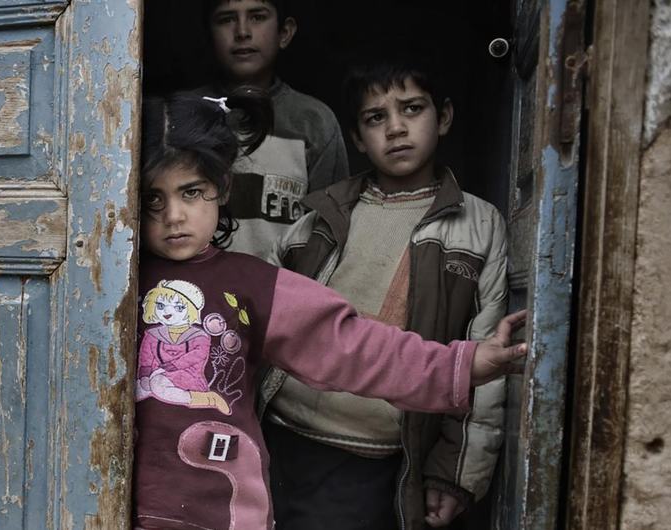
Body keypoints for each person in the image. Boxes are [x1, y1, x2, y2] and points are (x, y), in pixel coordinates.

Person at [131, 87, 524, 530]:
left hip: (221, 510)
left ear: (222, 187)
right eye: (152, 199)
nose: (174, 216)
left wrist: (464, 363)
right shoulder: (110, 282)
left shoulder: (253, 285)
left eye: (191, 192)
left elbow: (353, 347)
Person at [259, 54, 509, 529]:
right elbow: (264, 311)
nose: (396, 128)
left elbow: (486, 368)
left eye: (412, 109)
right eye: (376, 118)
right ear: (357, 137)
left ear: (445, 117)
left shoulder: (477, 227)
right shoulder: (322, 217)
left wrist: (454, 473)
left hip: (372, 454)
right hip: (277, 434)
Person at [196, 0, 348, 258]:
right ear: (209, 34)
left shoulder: (314, 122)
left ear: (285, 33)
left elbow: (329, 231)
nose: (242, 31)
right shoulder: (185, 114)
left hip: (283, 292)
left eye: (257, 17)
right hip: (193, 293)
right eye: (226, 19)